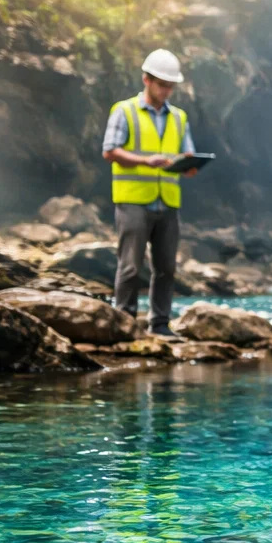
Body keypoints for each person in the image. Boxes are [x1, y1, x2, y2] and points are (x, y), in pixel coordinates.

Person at [102, 48, 198, 337]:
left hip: (167, 203)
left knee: (166, 268)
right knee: (130, 265)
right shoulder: (125, 110)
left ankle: (160, 323)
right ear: (146, 79)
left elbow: (187, 152)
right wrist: (146, 161)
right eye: (162, 84)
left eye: (171, 86)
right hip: (133, 200)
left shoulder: (179, 118)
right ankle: (125, 321)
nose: (167, 90)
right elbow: (110, 151)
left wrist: (190, 165)